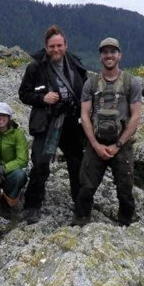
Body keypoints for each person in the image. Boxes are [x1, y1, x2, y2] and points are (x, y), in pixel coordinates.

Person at [18, 24, 88, 224]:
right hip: (47, 122)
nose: (56, 50)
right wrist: (42, 98)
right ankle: (32, 206)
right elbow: (23, 94)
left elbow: (85, 92)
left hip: (72, 123)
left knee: (77, 163)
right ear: (46, 47)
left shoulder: (76, 64)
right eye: (52, 46)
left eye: (59, 45)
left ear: (65, 45)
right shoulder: (35, 67)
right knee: (40, 163)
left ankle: (81, 207)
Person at [73, 37, 142, 226]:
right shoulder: (91, 84)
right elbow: (85, 115)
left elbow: (136, 116)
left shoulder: (131, 83)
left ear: (119, 55)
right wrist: (95, 145)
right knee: (86, 187)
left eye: (113, 52)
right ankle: (81, 221)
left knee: (125, 190)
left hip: (122, 144)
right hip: (96, 142)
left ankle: (125, 224)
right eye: (105, 52)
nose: (109, 55)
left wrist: (118, 145)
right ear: (100, 56)